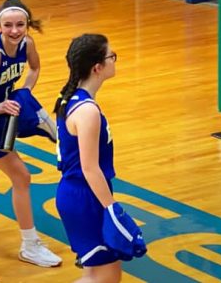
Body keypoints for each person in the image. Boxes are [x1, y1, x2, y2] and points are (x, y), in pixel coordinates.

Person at [0, 0, 61, 266]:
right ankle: (30, 245)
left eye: (20, 25)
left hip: (2, 116)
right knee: (21, 177)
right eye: (8, 25)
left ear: (27, 25)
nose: (14, 30)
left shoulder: (27, 43)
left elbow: (35, 68)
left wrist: (24, 93)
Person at [54, 34, 141, 282]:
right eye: (112, 56)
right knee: (105, 276)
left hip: (78, 193)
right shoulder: (87, 111)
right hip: (85, 197)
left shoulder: (71, 98)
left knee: (100, 273)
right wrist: (111, 209)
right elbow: (90, 168)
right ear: (97, 68)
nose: (114, 60)